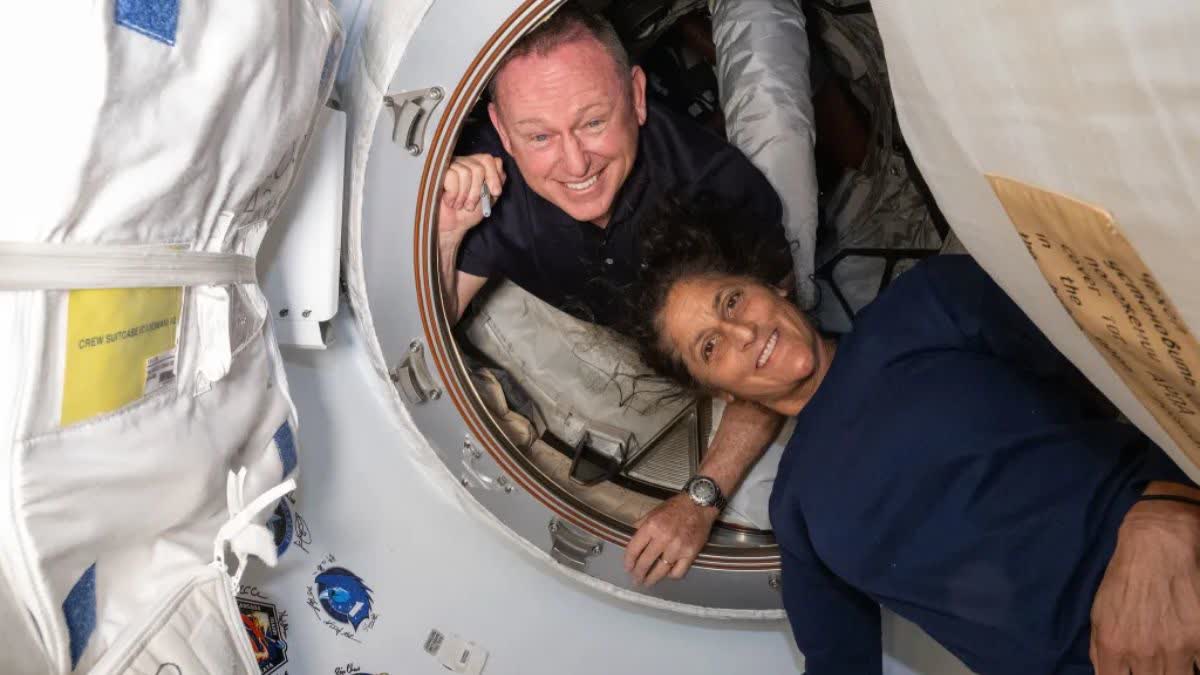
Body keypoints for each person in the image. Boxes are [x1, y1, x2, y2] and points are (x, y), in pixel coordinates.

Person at [628, 198, 1200, 674]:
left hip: (1168, 562)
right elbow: (837, 665)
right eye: (711, 347)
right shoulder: (796, 510)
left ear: (774, 286)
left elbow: (1140, 364)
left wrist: (1166, 509)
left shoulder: (925, 305)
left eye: (732, 301)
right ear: (722, 393)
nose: (743, 332)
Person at [436, 4, 794, 585]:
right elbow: (434, 320)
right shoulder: (489, 181)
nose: (575, 162)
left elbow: (778, 356)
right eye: (539, 136)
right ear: (502, 130)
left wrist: (699, 499)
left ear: (637, 96)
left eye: (593, 122)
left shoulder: (718, 190)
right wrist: (449, 231)